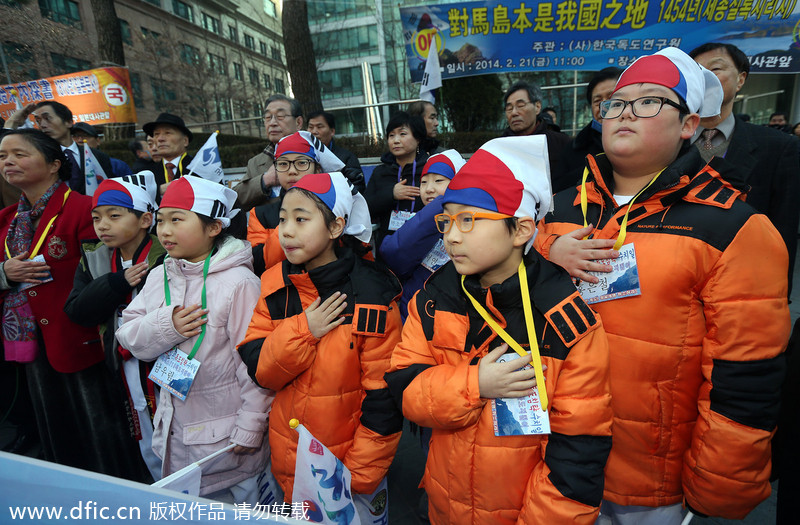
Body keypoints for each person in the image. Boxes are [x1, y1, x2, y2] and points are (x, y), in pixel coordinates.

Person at [537, 47, 789, 522]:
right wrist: (545, 246)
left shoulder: (733, 227)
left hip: (651, 480)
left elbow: (743, 379)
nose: (625, 111)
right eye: (615, 102)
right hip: (554, 455)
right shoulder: (560, 207)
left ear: (689, 125)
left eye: (650, 101)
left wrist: (715, 486)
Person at [385, 136, 613, 525]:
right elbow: (405, 389)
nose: (451, 236)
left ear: (522, 229)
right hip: (444, 505)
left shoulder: (566, 321)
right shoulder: (431, 299)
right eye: (447, 220)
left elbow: (577, 456)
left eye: (469, 220)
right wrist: (475, 384)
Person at [238, 171, 403, 505]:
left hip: (346, 469)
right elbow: (262, 372)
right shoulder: (274, 282)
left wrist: (358, 475)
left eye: (301, 219)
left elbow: (383, 397)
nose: (286, 231)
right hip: (288, 460)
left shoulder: (372, 294)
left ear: (335, 227)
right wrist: (304, 331)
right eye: (283, 219)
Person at [0, 129, 148, 480]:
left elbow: (104, 277)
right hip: (31, 346)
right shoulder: (7, 220)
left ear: (54, 164)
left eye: (19, 154)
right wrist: (5, 273)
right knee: (58, 436)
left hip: (85, 342)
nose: (8, 161)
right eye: (3, 156)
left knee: (102, 438)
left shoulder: (86, 210)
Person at [115, 175, 273, 501]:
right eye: (160, 221)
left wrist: (252, 423)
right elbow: (128, 336)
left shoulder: (239, 283)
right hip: (174, 424)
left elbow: (255, 362)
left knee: (241, 507)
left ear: (214, 227)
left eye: (177, 220)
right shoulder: (162, 272)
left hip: (229, 438)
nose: (165, 231)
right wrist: (165, 325)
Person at [64, 172, 165, 480]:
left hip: (162, 364)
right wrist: (116, 282)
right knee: (143, 432)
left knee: (171, 430)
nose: (102, 225)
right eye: (96, 218)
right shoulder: (94, 257)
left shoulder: (166, 252)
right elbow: (77, 311)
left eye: (114, 215)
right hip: (121, 362)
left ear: (145, 219)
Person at [689, 42, 800, 293]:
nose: (704, 77)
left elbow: (783, 229)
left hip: (743, 282)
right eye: (695, 71)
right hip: (676, 280)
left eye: (715, 68)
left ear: (741, 80)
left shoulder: (780, 148)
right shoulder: (664, 143)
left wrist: (778, 293)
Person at [379, 149, 465, 319]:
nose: (429, 189)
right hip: (410, 315)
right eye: (423, 182)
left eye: (439, 180)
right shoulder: (419, 220)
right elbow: (394, 253)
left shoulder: (468, 226)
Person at [247, 131, 346, 276]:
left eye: (301, 163)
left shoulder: (336, 208)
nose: (292, 171)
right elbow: (258, 262)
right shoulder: (260, 214)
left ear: (318, 169)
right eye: (283, 164)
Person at [5, 101, 114, 194]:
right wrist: (11, 124)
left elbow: (110, 189)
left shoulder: (98, 156)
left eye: (47, 118)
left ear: (68, 122)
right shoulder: (38, 158)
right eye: (38, 121)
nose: (42, 125)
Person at [363, 112, 428, 255]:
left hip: (423, 244)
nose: (396, 140)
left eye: (402, 134)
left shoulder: (429, 170)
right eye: (391, 135)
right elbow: (365, 208)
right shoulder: (381, 172)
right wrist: (391, 194)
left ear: (418, 138)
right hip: (388, 246)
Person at [235, 94, 303, 211]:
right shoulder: (256, 163)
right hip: (268, 228)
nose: (272, 123)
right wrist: (265, 181)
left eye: (280, 116)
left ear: (298, 122)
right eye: (267, 117)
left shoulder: (317, 156)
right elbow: (236, 200)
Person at [501, 81, 571, 192]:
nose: (514, 113)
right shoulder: (498, 147)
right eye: (509, 108)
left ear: (537, 107)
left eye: (520, 106)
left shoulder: (561, 143)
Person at [560, 67, 623, 189]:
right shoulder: (573, 150)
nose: (604, 106)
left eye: (612, 98)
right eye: (597, 101)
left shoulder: (650, 143)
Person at [306, 110, 365, 192]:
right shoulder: (302, 156)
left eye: (319, 127)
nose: (314, 132)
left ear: (332, 131)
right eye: (311, 127)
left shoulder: (346, 158)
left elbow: (357, 188)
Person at [141, 113, 194, 196]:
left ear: (185, 141)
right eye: (156, 134)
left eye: (168, 133)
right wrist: (158, 190)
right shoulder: (146, 173)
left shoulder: (199, 169)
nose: (160, 139)